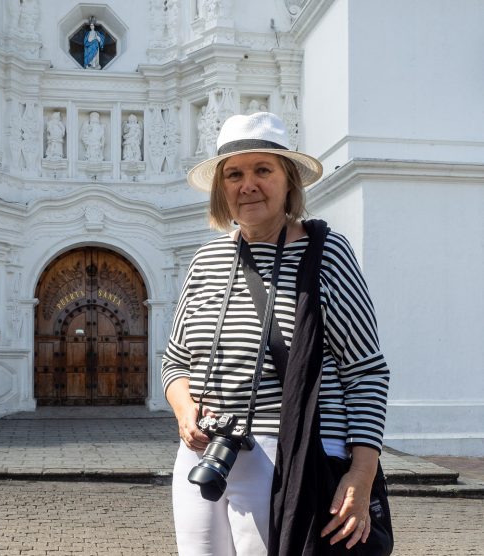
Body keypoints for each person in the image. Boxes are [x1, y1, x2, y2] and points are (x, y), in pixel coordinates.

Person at [162, 112, 390, 555]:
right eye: (234, 174)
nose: (248, 185)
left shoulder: (326, 254)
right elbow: (175, 362)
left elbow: (366, 374)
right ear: (221, 189)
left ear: (289, 181)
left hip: (286, 452)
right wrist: (185, 411)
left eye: (262, 170)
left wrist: (360, 477)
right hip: (206, 455)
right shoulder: (205, 261)